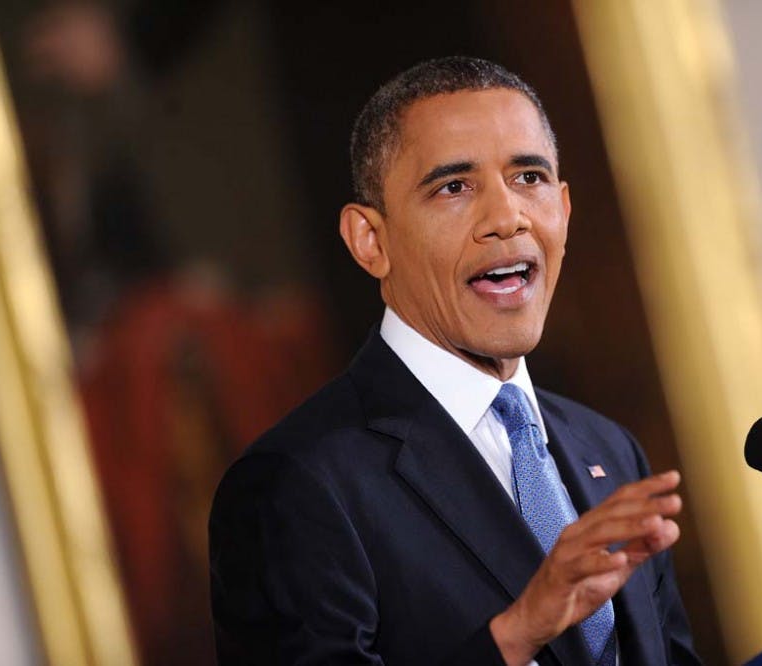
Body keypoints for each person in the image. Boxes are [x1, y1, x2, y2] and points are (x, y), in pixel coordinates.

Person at [209, 56, 700, 665]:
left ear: (564, 212)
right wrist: (515, 635)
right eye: (454, 187)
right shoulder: (295, 486)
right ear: (371, 240)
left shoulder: (609, 450)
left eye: (529, 178)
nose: (506, 218)